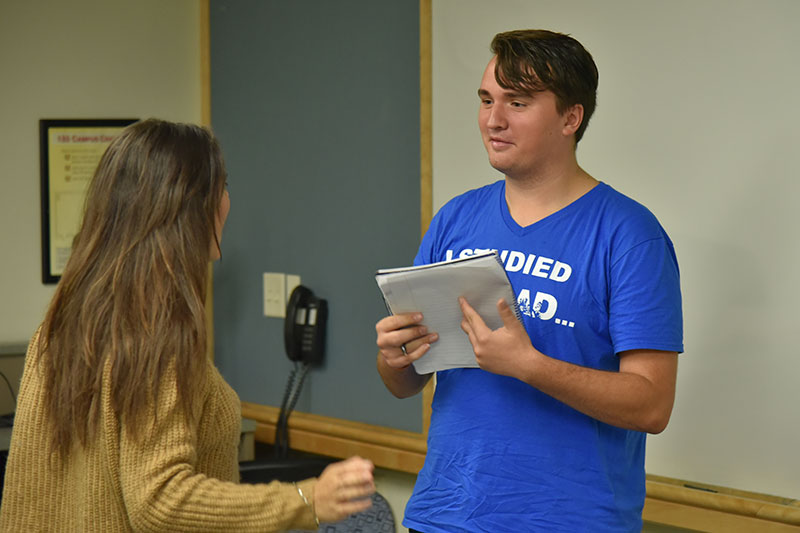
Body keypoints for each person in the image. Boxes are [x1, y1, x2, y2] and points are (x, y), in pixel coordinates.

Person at [0, 119, 375, 532]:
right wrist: (306, 499)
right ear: (191, 207)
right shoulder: (155, 335)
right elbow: (159, 500)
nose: (228, 201)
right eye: (223, 187)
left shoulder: (62, 326)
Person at [376, 30, 683, 532]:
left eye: (517, 102)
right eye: (486, 100)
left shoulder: (630, 236)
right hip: (446, 514)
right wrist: (394, 358)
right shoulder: (456, 218)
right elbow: (407, 381)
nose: (493, 120)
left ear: (571, 117)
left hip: (570, 521)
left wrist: (529, 366)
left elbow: (651, 404)